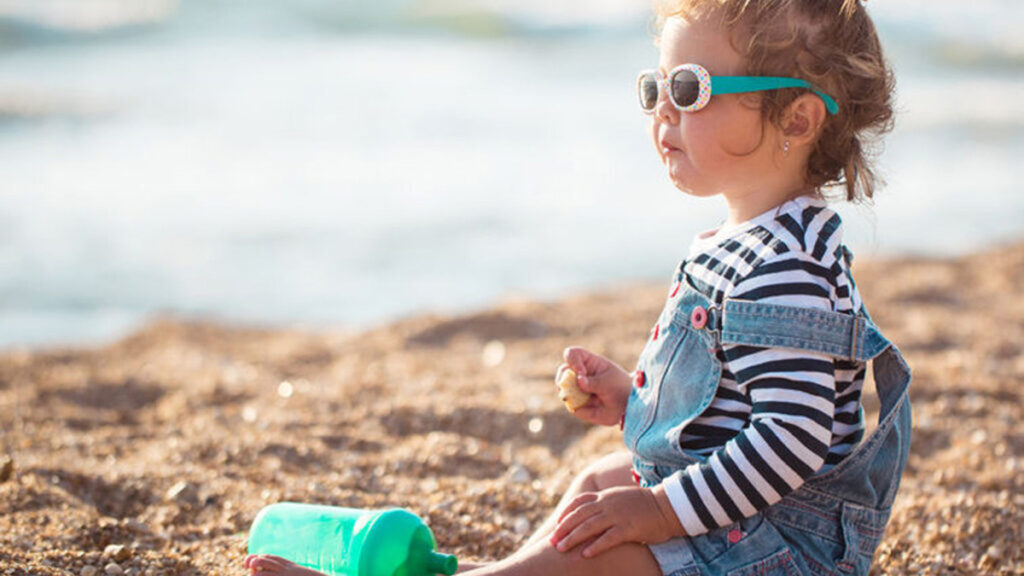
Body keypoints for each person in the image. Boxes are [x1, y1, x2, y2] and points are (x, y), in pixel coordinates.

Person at [244, 0, 911, 575]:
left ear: (795, 121)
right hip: (739, 514)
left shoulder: (787, 267)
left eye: (689, 89)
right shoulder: (748, 242)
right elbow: (728, 401)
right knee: (598, 482)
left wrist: (655, 512)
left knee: (601, 537)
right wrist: (636, 401)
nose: (662, 112)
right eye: (656, 88)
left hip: (780, 547)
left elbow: (790, 437)